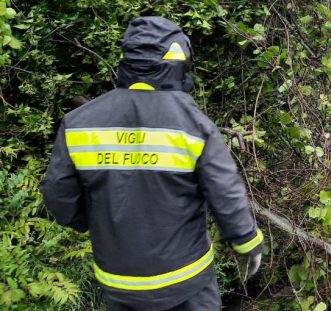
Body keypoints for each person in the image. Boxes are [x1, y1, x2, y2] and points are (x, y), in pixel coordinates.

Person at [41, 16, 264, 311]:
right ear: (178, 62)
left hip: (119, 281)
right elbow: (224, 190)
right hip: (187, 280)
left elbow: (58, 196)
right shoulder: (192, 124)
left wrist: (98, 222)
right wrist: (247, 241)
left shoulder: (79, 123)